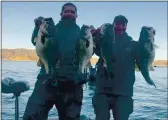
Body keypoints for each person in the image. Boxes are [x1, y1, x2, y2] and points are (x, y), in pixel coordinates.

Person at [23, 3, 86, 120]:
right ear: (61, 14)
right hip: (47, 79)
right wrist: (37, 27)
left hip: (72, 83)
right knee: (32, 116)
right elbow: (36, 41)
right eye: (66, 11)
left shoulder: (82, 33)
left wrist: (96, 38)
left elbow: (89, 52)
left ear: (76, 15)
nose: (69, 13)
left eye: (72, 12)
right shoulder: (51, 28)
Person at [92, 15, 139, 120]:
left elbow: (143, 60)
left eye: (123, 24)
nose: (120, 27)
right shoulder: (104, 40)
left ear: (126, 26)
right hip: (102, 91)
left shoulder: (134, 45)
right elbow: (95, 50)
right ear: (113, 25)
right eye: (118, 24)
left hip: (124, 92)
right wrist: (96, 36)